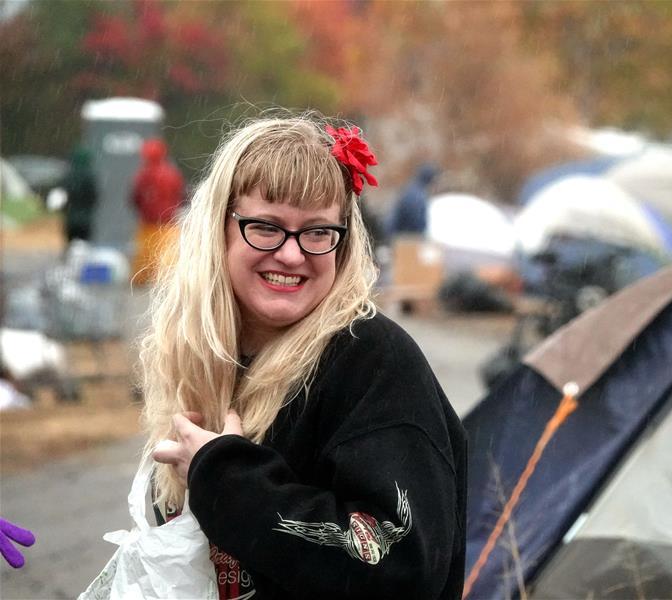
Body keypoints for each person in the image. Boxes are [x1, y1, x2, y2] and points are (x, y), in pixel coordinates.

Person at [143, 114, 466, 599]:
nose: (291, 255)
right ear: (220, 229)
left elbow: (399, 564)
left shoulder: (372, 360)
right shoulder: (201, 356)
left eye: (317, 232)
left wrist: (226, 480)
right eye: (266, 227)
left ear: (344, 240)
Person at [131, 138, 184, 285]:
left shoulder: (143, 175)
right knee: (168, 258)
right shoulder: (172, 173)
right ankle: (165, 282)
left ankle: (140, 283)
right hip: (168, 223)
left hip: (148, 224)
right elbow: (180, 195)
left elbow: (135, 198)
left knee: (143, 257)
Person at [60, 146, 97, 246]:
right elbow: (94, 197)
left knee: (71, 245)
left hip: (70, 219)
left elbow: (61, 197)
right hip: (85, 219)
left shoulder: (68, 176)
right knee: (84, 246)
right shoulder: (90, 176)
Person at [388, 163, 438, 236]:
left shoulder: (411, 189)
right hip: (406, 237)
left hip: (398, 234)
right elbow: (418, 221)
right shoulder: (418, 195)